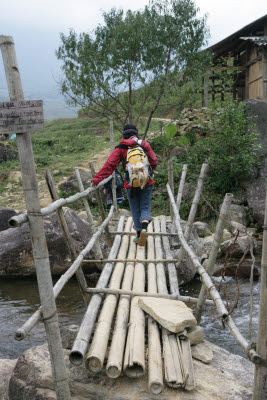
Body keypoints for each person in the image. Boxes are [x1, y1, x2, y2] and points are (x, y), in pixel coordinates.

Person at [91, 124, 157, 246]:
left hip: (130, 184)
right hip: (147, 182)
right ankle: (144, 229)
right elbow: (154, 162)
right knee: (145, 207)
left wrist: (97, 179)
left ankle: (138, 236)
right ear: (136, 134)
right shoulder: (144, 144)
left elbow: (109, 165)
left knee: (135, 208)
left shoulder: (121, 147)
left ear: (124, 135)